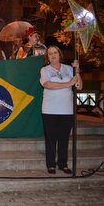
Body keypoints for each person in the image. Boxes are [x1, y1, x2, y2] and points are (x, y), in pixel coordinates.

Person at [40, 45, 82, 174]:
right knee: (51, 139)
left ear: (60, 54)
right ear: (47, 57)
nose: (52, 55)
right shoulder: (45, 70)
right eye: (50, 54)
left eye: (55, 53)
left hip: (67, 110)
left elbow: (79, 86)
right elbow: (48, 84)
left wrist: (77, 71)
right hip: (50, 110)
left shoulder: (69, 69)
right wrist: (68, 84)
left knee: (64, 138)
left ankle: (63, 164)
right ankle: (51, 164)